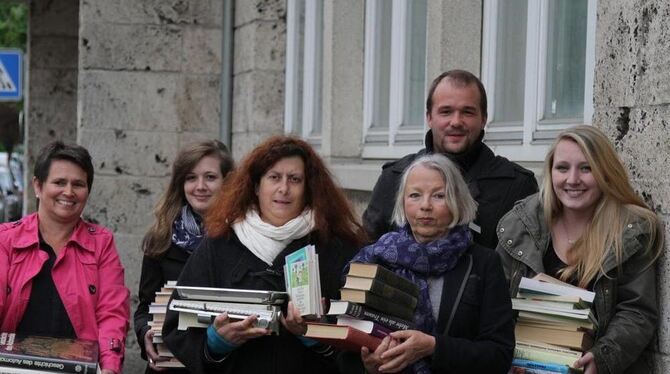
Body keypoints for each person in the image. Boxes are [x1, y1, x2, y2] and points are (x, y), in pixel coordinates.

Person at [162, 135, 367, 373]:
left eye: (295, 179)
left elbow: (362, 338)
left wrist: (316, 333)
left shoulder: (336, 247)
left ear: (309, 188)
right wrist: (216, 343)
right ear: (257, 186)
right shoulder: (220, 244)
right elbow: (176, 324)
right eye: (274, 177)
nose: (284, 188)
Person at [496, 125, 664, 374]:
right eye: (562, 168)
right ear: (550, 172)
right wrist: (504, 355)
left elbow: (636, 313)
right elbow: (495, 304)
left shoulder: (629, 231)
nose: (572, 179)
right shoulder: (519, 225)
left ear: (605, 172)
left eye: (586, 168)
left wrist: (601, 358)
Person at [341, 154, 514, 374]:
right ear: (402, 203)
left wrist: (433, 347)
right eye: (414, 195)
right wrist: (369, 365)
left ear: (458, 202)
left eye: (439, 196)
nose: (425, 206)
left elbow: (499, 354)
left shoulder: (483, 263)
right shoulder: (376, 259)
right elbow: (347, 351)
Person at [363, 69, 538, 249]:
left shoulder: (517, 186)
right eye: (446, 111)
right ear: (429, 117)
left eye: (467, 112)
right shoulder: (394, 177)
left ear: (483, 119)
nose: (456, 121)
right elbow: (365, 254)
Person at [0, 141, 129, 374]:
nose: (68, 192)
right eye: (59, 182)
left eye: (78, 184)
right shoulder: (5, 240)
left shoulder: (102, 243)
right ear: (38, 186)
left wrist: (110, 366)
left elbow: (112, 312)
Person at [134, 140, 234, 373]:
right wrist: (145, 335)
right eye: (191, 178)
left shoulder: (243, 238)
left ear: (228, 182)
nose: (200, 186)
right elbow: (145, 307)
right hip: (169, 366)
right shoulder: (161, 238)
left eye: (210, 177)